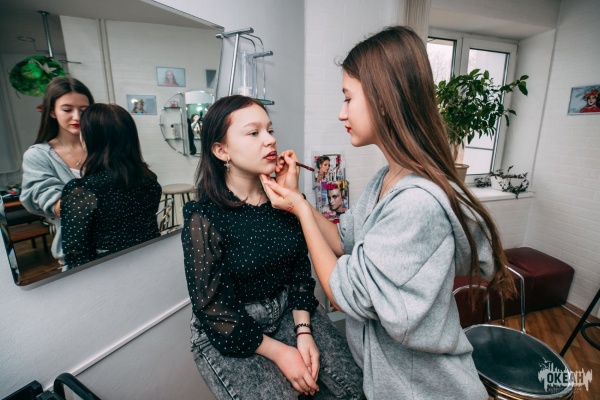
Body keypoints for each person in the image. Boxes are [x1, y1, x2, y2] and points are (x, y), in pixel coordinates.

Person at [261, 26, 516, 400]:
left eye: (348, 98)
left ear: (383, 100)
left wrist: (299, 209)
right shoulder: (387, 178)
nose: (341, 113)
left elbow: (346, 293)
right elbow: (343, 241)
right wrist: (297, 196)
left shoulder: (417, 203)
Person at [180, 95, 363, 399]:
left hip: (289, 310)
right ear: (221, 150)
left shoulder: (282, 200)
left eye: (270, 130)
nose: (270, 140)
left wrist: (304, 331)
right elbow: (214, 308)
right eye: (254, 133)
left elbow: (299, 272)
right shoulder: (204, 217)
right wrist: (281, 352)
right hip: (234, 326)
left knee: (355, 388)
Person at [60, 103, 162, 268]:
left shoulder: (84, 190)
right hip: (150, 264)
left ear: (91, 139)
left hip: (108, 272)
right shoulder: (150, 181)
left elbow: (76, 256)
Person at [20, 77, 95, 267]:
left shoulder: (102, 148)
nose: (77, 117)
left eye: (84, 110)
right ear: (52, 111)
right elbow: (51, 201)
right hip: (78, 254)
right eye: (67, 110)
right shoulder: (38, 156)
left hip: (122, 245)